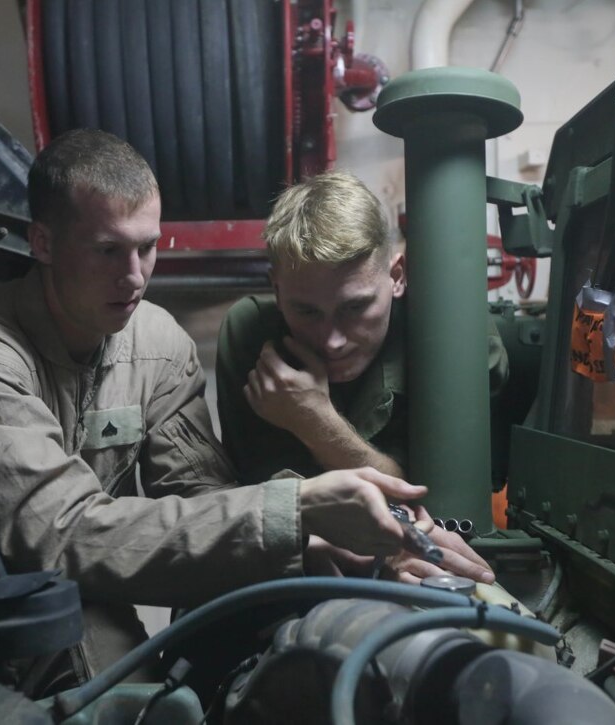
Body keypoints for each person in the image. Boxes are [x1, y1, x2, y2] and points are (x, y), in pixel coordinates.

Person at [0, 130, 436, 692]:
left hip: (93, 616)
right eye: (107, 250)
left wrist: (323, 547)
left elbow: (203, 497)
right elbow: (59, 537)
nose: (134, 276)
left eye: (147, 247)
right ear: (44, 243)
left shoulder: (157, 341)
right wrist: (297, 510)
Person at [216, 170, 508, 582]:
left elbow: (438, 512)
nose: (332, 341)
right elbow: (268, 502)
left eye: (355, 308)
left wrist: (315, 421)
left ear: (397, 276)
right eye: (307, 312)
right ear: (276, 291)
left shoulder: (456, 340)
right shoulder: (250, 334)